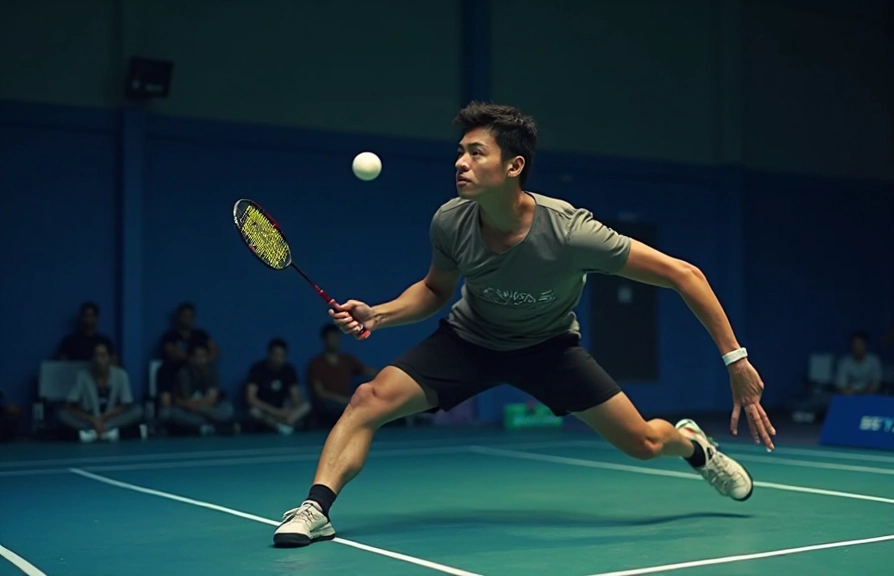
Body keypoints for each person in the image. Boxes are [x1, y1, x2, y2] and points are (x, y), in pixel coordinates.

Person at [272, 102, 775, 547]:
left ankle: (692, 446)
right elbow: (435, 291)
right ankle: (316, 510)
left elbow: (684, 275)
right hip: (470, 340)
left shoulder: (572, 232)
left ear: (514, 166)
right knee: (368, 400)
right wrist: (378, 315)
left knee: (643, 443)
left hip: (549, 348)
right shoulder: (450, 220)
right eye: (460, 153)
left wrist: (735, 360)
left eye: (475, 153)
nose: (460, 163)